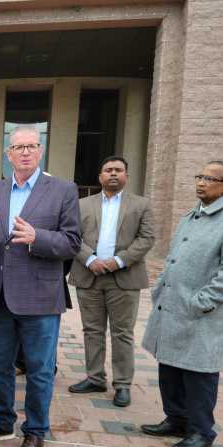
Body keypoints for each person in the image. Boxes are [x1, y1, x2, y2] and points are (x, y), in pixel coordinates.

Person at [0, 126, 80, 447]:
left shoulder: (62, 190)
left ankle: (35, 432)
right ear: (8, 154)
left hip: (41, 296)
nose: (25, 152)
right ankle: (2, 421)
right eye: (18, 147)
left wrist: (37, 237)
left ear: (40, 151)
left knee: (39, 369)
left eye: (31, 146)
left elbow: (72, 242)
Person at [140, 161, 223, 447]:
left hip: (201, 313)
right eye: (200, 176)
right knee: (170, 366)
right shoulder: (191, 216)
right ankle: (176, 418)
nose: (202, 182)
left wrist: (202, 301)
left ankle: (202, 431)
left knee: (199, 373)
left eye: (210, 179)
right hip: (172, 307)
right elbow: (173, 257)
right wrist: (160, 287)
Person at [68, 156, 155, 407]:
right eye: (108, 170)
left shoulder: (141, 205)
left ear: (126, 175)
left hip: (124, 278)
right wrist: (90, 259)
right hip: (89, 275)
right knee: (92, 331)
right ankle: (95, 377)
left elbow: (146, 239)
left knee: (122, 333)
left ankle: (123, 384)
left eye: (119, 170)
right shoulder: (82, 204)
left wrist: (118, 261)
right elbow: (72, 236)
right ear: (100, 176)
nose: (113, 174)